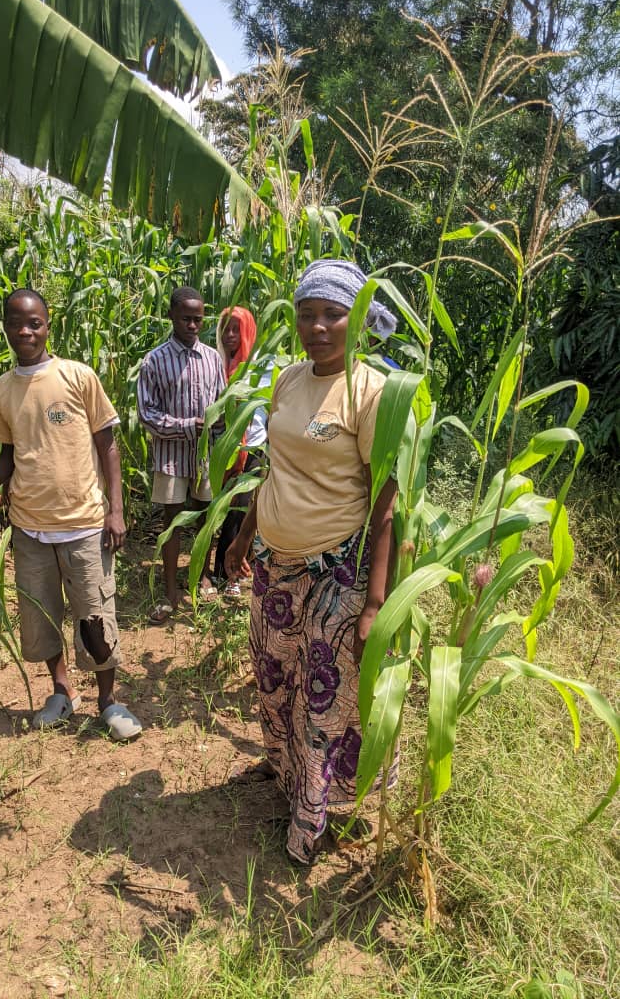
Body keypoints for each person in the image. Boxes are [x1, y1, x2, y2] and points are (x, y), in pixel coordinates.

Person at [225, 259, 399, 866]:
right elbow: (273, 467)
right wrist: (246, 534)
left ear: (357, 317)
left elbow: (385, 505)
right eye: (307, 314)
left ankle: (314, 815)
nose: (317, 326)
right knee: (274, 676)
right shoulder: (287, 379)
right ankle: (283, 774)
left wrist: (376, 603)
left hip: (338, 570)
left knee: (323, 700)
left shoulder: (373, 392)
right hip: (277, 563)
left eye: (332, 314)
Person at [0, 288, 141, 740]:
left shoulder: (76, 376)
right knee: (43, 615)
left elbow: (107, 443)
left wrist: (116, 509)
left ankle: (108, 701)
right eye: (17, 323)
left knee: (95, 616)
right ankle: (61, 691)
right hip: (30, 526)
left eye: (35, 323)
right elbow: (10, 450)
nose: (26, 331)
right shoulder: (1, 391)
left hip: (84, 522)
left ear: (48, 326)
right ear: (7, 328)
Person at [137, 287, 226, 624]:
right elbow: (147, 414)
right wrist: (191, 425)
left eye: (198, 319)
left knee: (205, 517)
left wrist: (219, 430)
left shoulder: (212, 358)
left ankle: (201, 577)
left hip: (204, 456)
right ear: (172, 315)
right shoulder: (155, 360)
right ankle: (171, 587)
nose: (193, 325)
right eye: (186, 318)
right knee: (172, 521)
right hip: (172, 455)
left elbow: (220, 402)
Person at [212, 306, 270, 598]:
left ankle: (230, 575)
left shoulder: (263, 366)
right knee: (216, 513)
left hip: (254, 448)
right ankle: (216, 571)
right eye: (225, 328)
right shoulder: (214, 362)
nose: (230, 335)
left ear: (248, 329)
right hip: (221, 451)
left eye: (236, 328)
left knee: (240, 510)